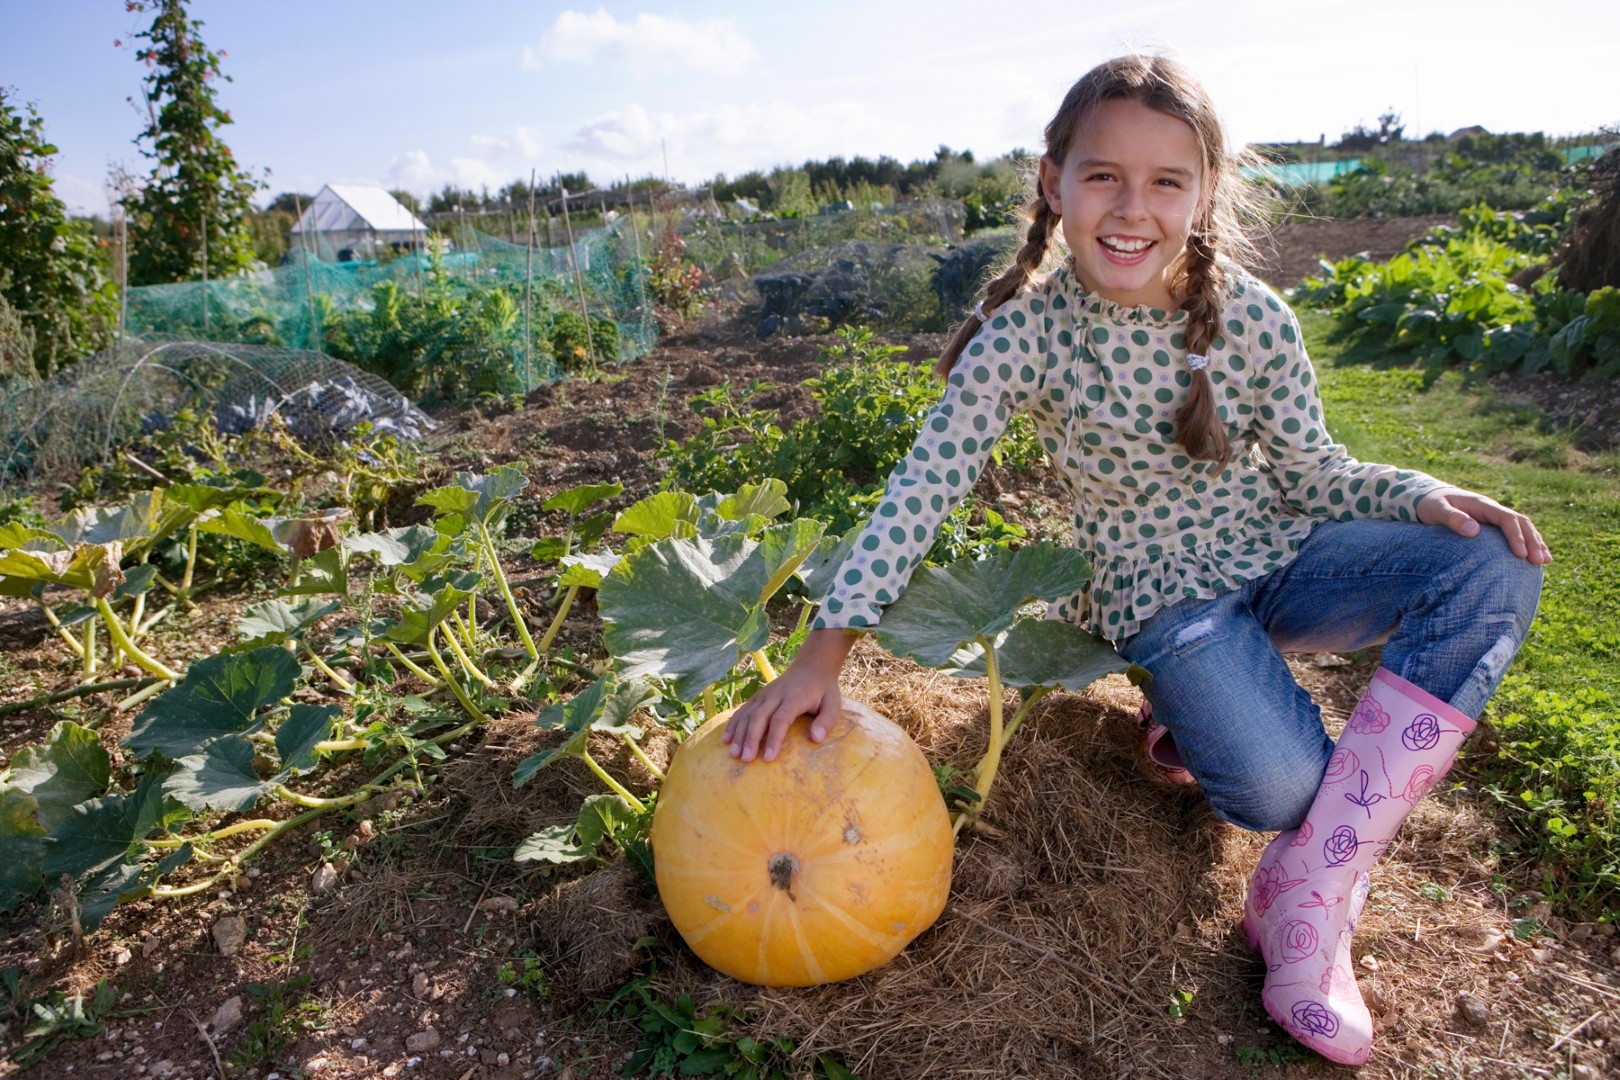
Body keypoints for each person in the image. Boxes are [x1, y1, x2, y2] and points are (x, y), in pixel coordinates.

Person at [721, 54, 1548, 1065]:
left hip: (1289, 557)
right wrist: (823, 652)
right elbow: (923, 487)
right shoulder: (1027, 335)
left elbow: (1313, 469)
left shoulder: (1254, 319)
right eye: (1103, 174)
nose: (1132, 207)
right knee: (1283, 793)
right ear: (1052, 182)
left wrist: (1418, 495)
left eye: (1167, 180)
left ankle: (1312, 894)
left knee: (1492, 563)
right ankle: (1200, 707)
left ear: (1204, 193)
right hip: (1162, 597)